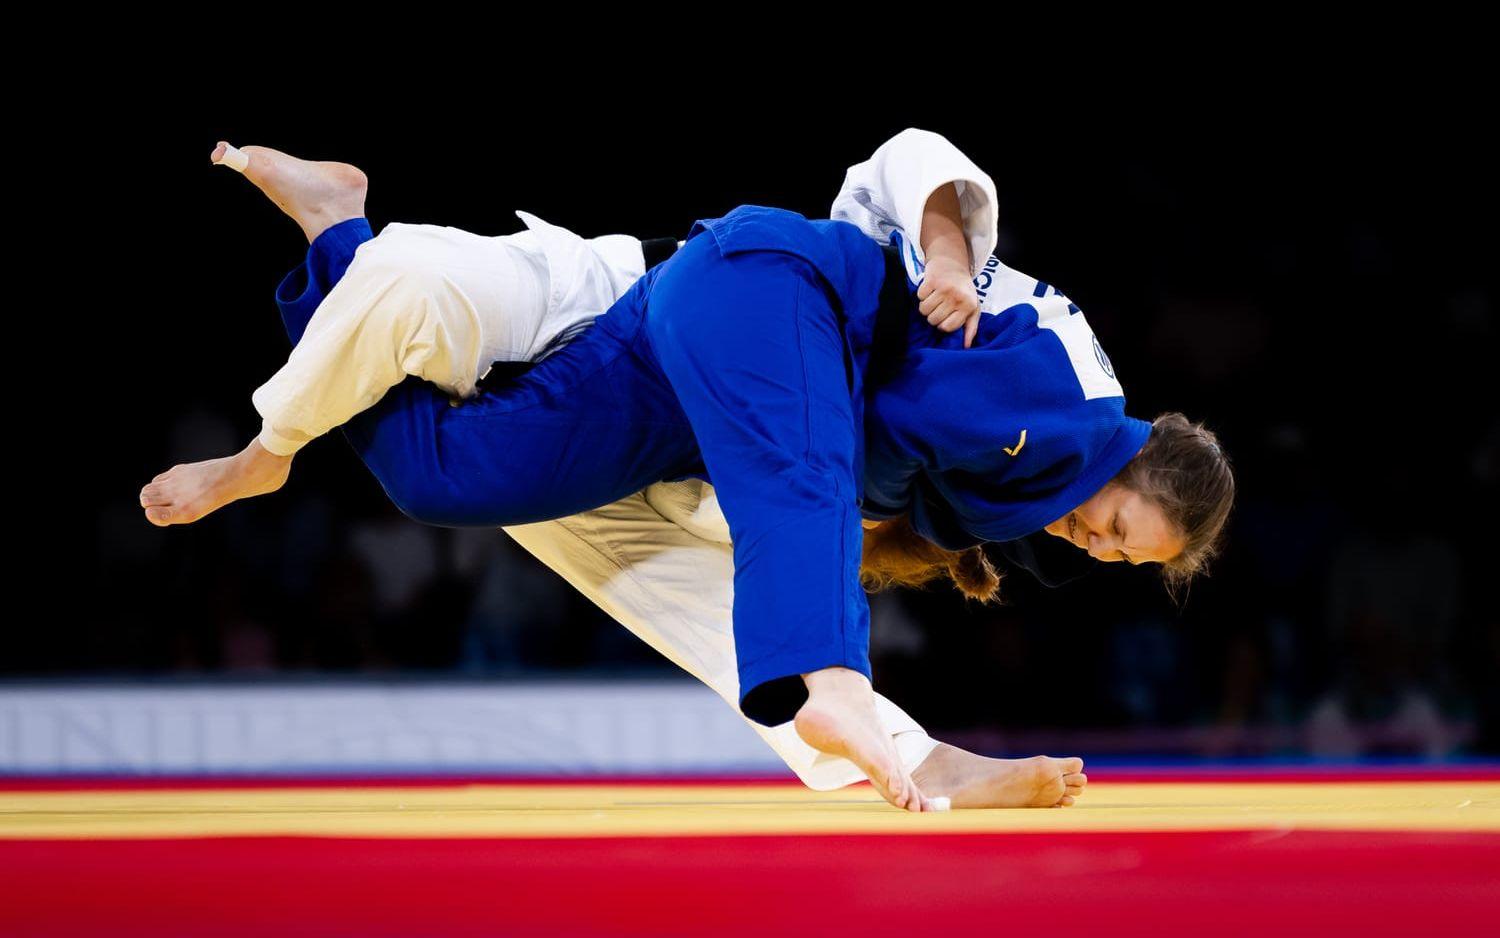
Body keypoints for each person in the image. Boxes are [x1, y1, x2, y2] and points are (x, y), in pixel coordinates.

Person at [142, 131, 1233, 810]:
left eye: (1109, 556)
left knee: (444, 475)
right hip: (767, 291)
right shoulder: (1069, 391)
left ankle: (337, 228)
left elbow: (851, 488)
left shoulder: (1019, 485)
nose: (1088, 544)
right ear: (1140, 458)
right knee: (797, 484)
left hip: (689, 386)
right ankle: (837, 686)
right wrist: (949, 251)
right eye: (1116, 526)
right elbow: (914, 154)